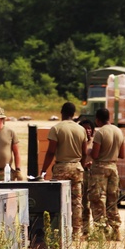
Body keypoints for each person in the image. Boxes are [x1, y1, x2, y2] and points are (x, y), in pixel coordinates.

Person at [41, 102, 88, 240]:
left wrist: (43, 170)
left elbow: (50, 152)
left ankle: (60, 230)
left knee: (59, 200)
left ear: (62, 112)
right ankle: (76, 232)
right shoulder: (81, 129)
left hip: (61, 167)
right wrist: (82, 166)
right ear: (74, 114)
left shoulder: (56, 128)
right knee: (77, 201)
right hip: (76, 167)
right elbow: (84, 152)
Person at [86, 108, 125, 240]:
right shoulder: (118, 131)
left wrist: (89, 151)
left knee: (97, 199)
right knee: (112, 200)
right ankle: (115, 230)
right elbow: (122, 154)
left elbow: (95, 155)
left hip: (100, 169)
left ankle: (100, 231)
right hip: (113, 168)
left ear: (97, 120)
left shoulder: (100, 133)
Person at [79, 119, 96, 230]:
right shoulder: (79, 142)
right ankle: (85, 228)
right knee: (83, 202)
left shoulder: (95, 141)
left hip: (94, 175)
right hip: (82, 174)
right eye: (85, 128)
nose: (88, 131)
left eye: (89, 128)